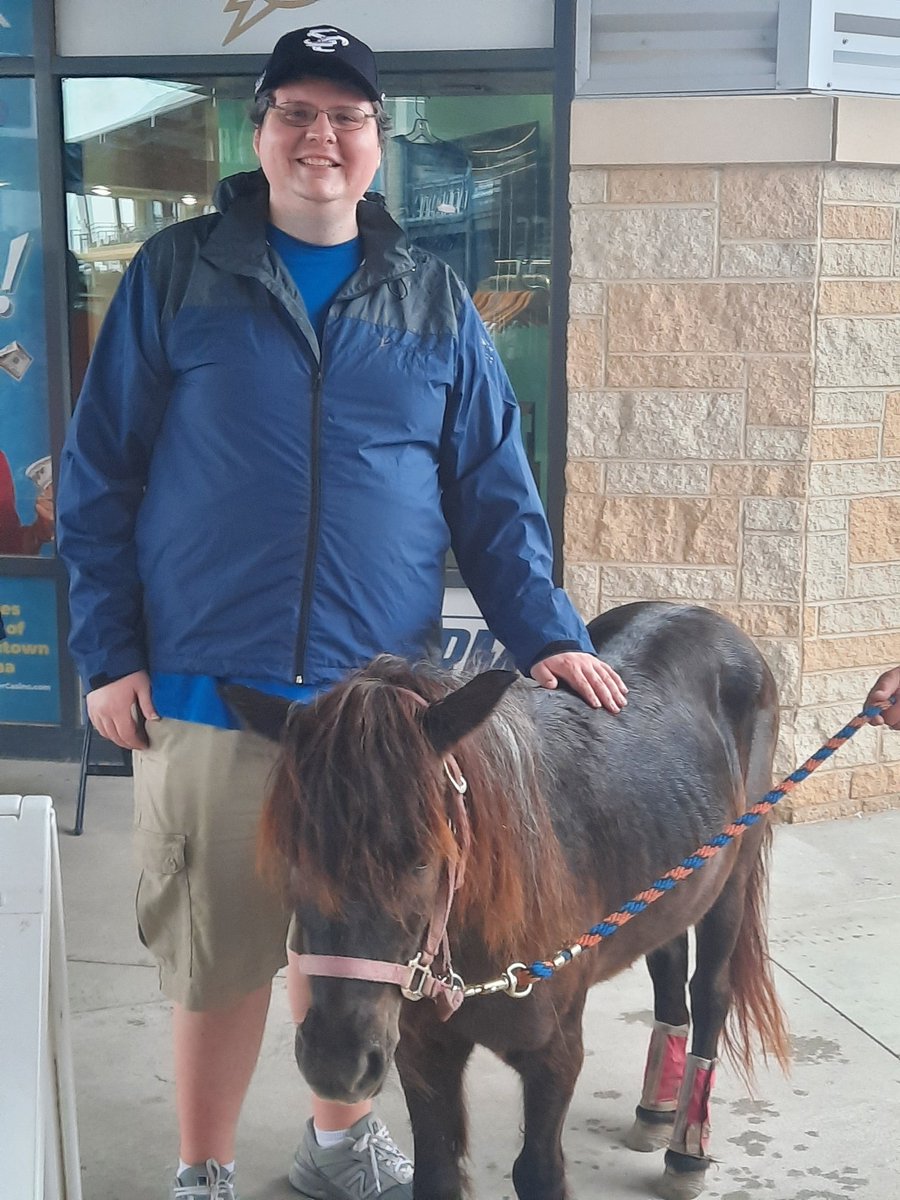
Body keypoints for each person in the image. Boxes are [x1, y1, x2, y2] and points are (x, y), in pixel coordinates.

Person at [56, 24, 627, 1200]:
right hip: (216, 691)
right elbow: (100, 475)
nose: (322, 135)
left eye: (346, 116)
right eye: (297, 113)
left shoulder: (432, 300)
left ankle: (336, 1143)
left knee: (359, 949)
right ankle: (204, 1168)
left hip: (372, 719)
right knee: (219, 959)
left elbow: (492, 493)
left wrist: (552, 637)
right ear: (259, 135)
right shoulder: (177, 274)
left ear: (378, 149)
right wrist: (110, 654)